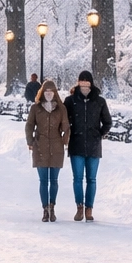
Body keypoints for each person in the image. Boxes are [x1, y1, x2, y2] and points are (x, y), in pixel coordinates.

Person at [64, 71, 112, 222]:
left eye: (87, 80)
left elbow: (108, 121)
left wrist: (99, 134)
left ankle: (89, 208)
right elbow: (63, 119)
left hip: (93, 146)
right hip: (76, 144)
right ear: (78, 82)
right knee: (77, 178)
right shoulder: (71, 100)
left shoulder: (99, 101)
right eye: (82, 80)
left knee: (91, 179)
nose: (84, 83)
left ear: (91, 82)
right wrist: (69, 132)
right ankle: (79, 207)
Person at [25, 79, 70, 221]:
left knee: (54, 180)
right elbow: (29, 125)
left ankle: (52, 206)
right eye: (46, 91)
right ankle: (45, 209)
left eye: (51, 91)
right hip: (40, 147)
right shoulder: (35, 108)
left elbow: (66, 127)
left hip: (56, 148)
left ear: (55, 93)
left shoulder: (61, 109)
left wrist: (65, 140)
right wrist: (30, 141)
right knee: (43, 180)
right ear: (42, 93)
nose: (49, 94)